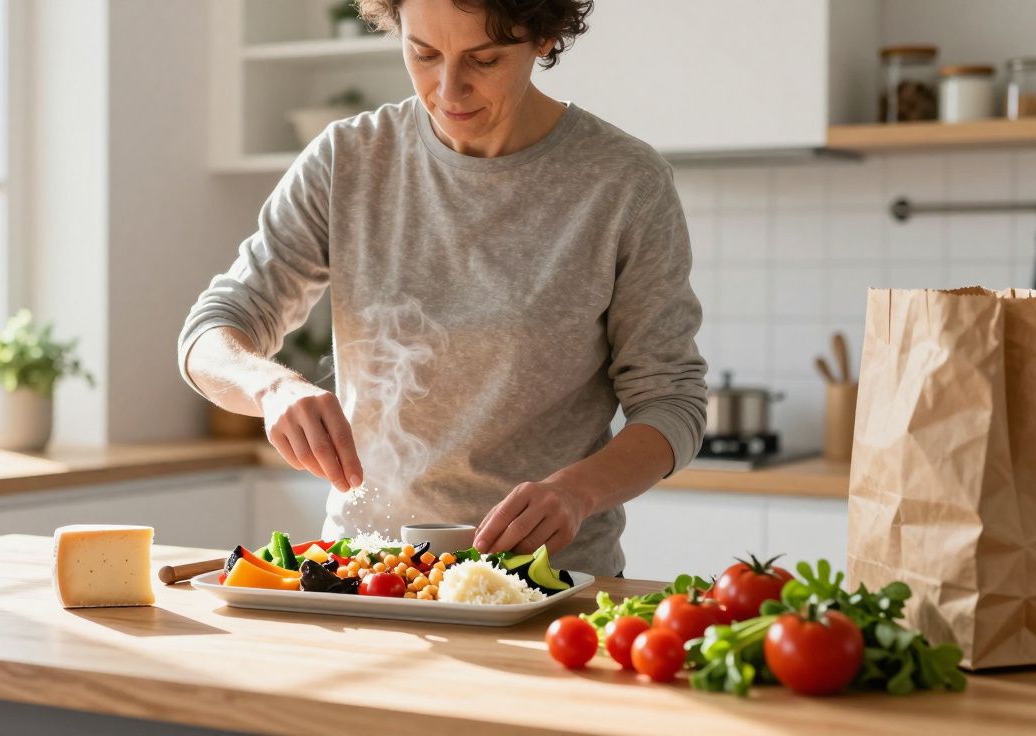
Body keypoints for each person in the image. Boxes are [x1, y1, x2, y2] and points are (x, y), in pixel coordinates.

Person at [178, 0, 707, 576]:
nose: (449, 90)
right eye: (424, 53)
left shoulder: (624, 182)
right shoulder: (348, 159)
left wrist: (576, 493)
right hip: (369, 575)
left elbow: (671, 401)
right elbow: (211, 333)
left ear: (544, 38)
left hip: (546, 582)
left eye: (485, 59)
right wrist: (270, 388)